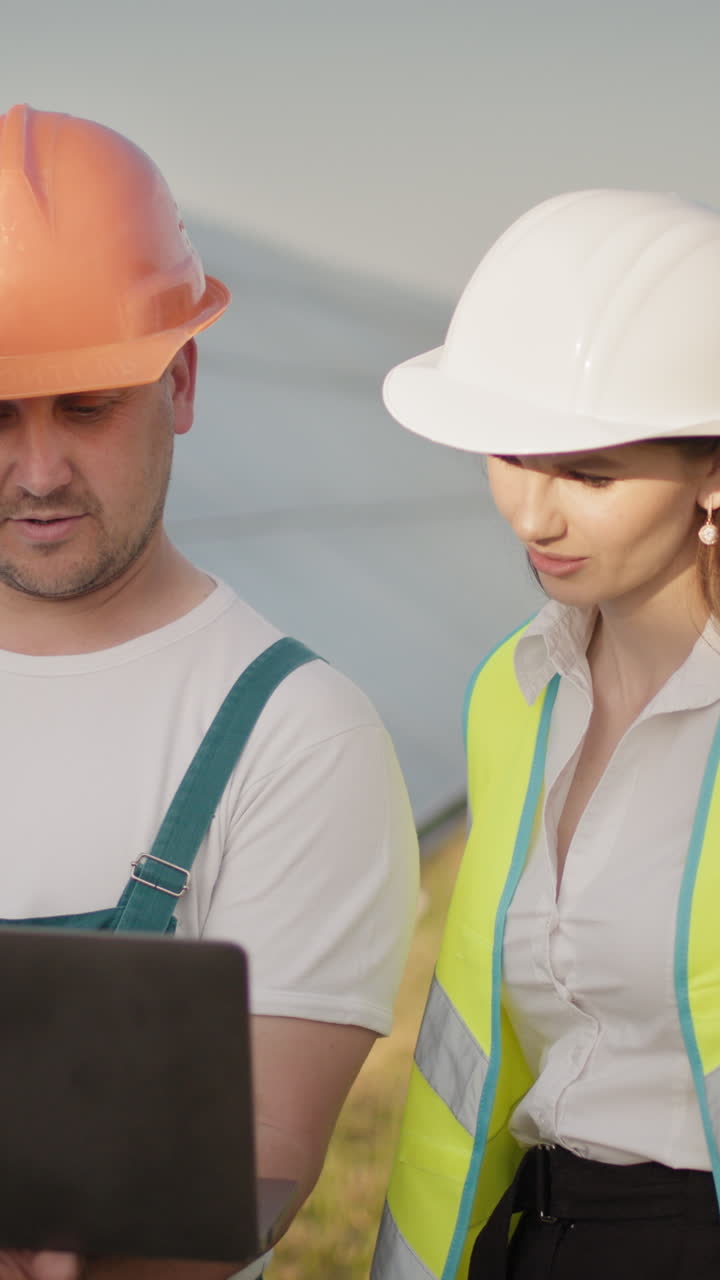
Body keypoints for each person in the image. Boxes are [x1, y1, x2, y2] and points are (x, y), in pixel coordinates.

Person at [0, 103, 419, 1280]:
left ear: (178, 381)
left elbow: (259, 1178)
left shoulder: (293, 732)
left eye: (87, 406)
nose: (39, 471)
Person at [371, 188, 720, 1280]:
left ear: (713, 469)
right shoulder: (515, 691)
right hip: (533, 1239)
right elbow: (471, 1040)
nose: (533, 514)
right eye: (513, 457)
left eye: (591, 473)